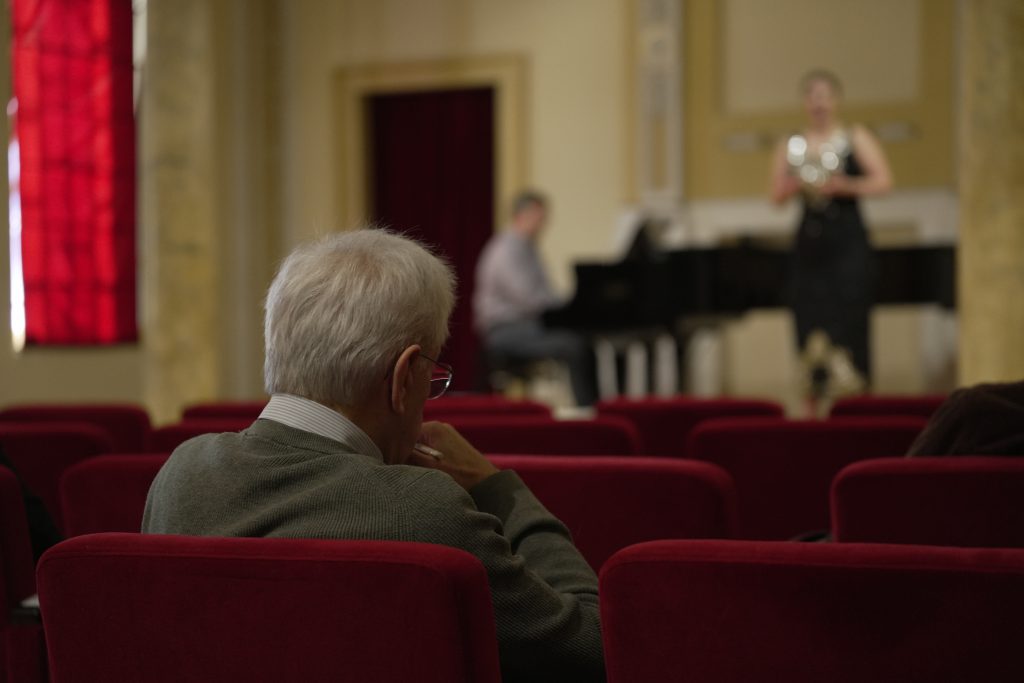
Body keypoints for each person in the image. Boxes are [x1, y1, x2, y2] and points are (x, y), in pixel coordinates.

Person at [142, 229, 605, 682]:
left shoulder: (181, 473)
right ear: (403, 378)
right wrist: (497, 487)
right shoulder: (423, 510)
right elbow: (596, 648)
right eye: (432, 377)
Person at [771, 69, 892, 401]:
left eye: (825, 96)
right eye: (812, 96)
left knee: (850, 318)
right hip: (810, 244)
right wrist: (796, 185)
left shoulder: (855, 137)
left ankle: (856, 396)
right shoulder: (792, 143)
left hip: (847, 242)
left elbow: (884, 182)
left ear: (836, 100)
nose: (819, 103)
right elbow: (775, 196)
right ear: (804, 102)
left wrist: (844, 186)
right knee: (809, 323)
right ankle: (813, 397)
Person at [473, 191, 597, 406]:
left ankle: (594, 407)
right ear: (521, 215)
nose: (543, 223)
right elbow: (529, 299)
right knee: (573, 345)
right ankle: (587, 410)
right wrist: (566, 308)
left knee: (581, 339)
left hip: (525, 324)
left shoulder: (527, 248)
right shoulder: (506, 249)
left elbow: (544, 293)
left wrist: (566, 307)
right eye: (539, 217)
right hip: (505, 330)